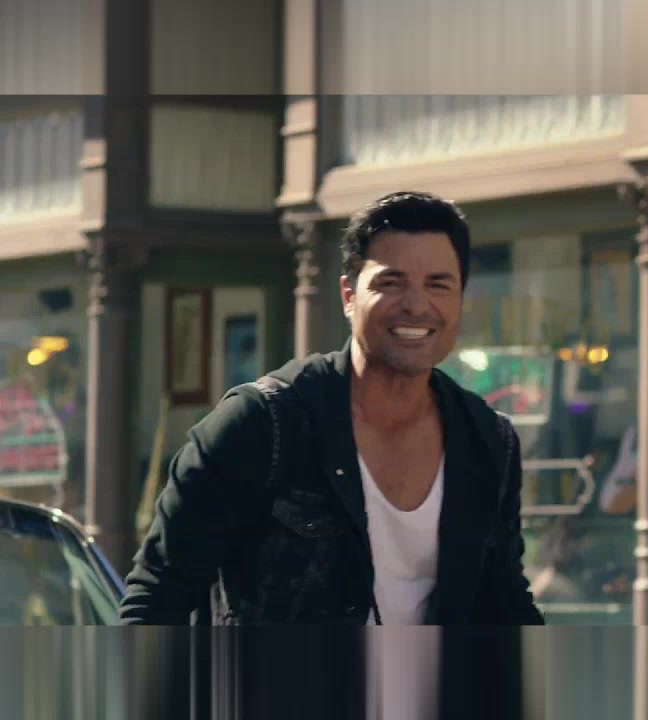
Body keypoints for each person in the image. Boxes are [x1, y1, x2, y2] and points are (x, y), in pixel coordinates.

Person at [120, 191, 544, 628]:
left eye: (438, 284)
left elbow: (507, 603)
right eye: (391, 282)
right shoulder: (261, 425)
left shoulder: (487, 441)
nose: (417, 305)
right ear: (348, 295)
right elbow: (155, 602)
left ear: (460, 300)